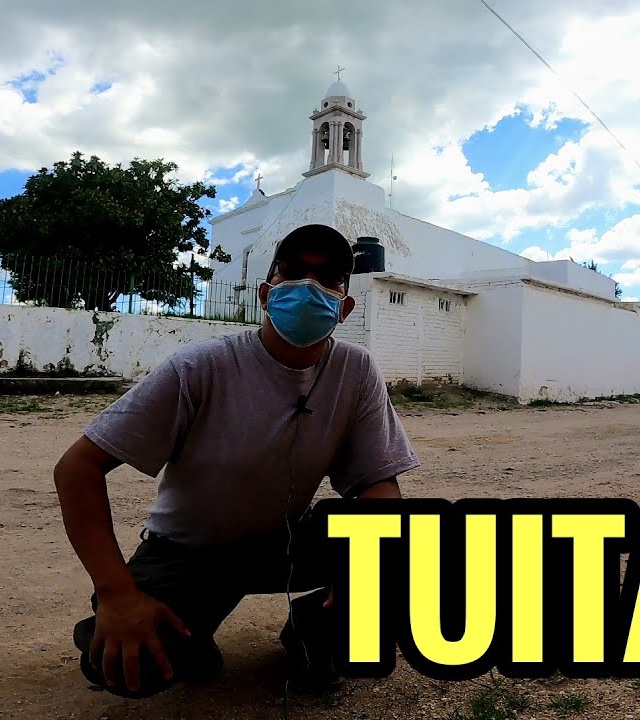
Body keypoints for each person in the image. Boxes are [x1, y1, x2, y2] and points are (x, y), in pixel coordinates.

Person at [53, 222, 421, 699]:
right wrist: (116, 594)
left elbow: (377, 485)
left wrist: (365, 568)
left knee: (412, 550)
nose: (310, 286)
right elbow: (77, 468)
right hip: (189, 552)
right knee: (131, 664)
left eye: (328, 277)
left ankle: (312, 635)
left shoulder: (356, 370)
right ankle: (188, 642)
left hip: (286, 543)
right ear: (267, 294)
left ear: (345, 306)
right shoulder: (199, 367)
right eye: (293, 272)